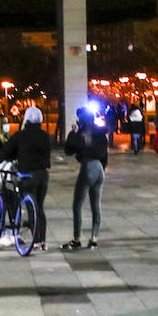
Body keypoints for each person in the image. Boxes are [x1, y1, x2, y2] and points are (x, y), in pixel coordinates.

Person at [0, 106, 52, 251]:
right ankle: (42, 241)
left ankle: (35, 241)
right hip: (42, 174)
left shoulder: (20, 135)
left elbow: (7, 152)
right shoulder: (45, 136)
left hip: (28, 175)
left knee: (31, 207)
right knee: (40, 207)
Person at [61, 107, 108, 250]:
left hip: (87, 167)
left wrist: (73, 133)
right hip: (99, 168)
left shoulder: (81, 132)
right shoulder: (100, 131)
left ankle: (76, 238)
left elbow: (68, 150)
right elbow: (104, 153)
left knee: (77, 205)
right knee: (95, 205)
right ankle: (94, 238)